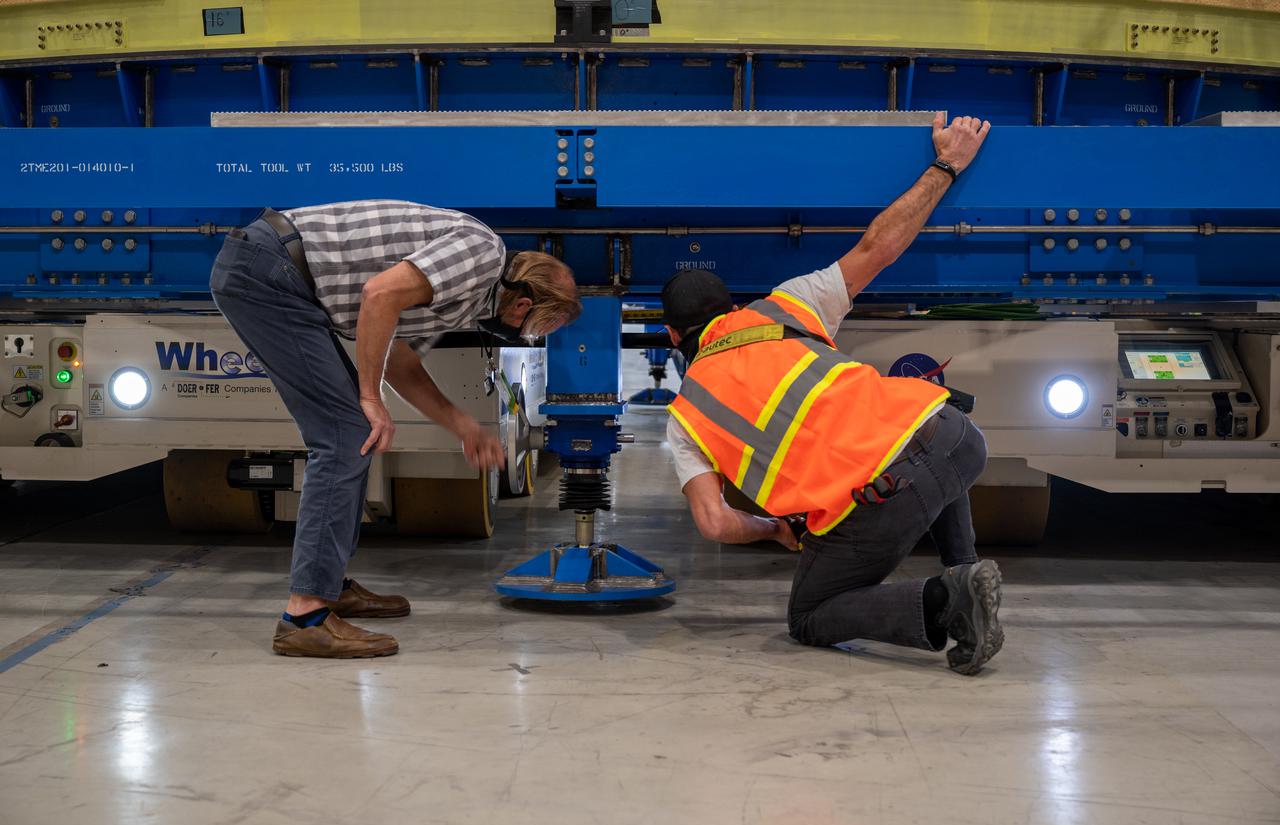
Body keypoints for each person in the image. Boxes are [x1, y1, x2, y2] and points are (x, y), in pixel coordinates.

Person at [662, 114, 1002, 675]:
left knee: (810, 615)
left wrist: (773, 528)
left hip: (884, 495)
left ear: (674, 337)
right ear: (731, 307)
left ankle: (952, 600)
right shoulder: (790, 303)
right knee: (920, 437)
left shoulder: (687, 416)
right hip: (956, 437)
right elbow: (880, 245)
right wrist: (947, 165)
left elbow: (715, 523)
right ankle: (965, 573)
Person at [209, 200, 581, 658]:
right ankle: (304, 616)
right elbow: (379, 295)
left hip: (282, 276)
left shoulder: (468, 302)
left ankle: (330, 585)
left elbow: (402, 364)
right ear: (523, 303)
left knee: (353, 435)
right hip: (269, 270)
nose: (527, 337)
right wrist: (369, 397)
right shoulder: (483, 253)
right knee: (347, 434)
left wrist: (461, 425)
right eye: (534, 329)